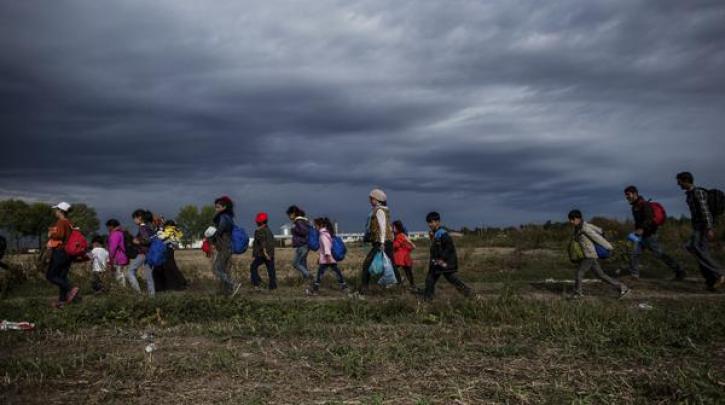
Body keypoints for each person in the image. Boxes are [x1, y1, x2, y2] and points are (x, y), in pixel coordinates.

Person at [623, 186, 685, 280]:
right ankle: (634, 275)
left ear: (635, 194)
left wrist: (642, 229)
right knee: (634, 253)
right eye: (626, 195)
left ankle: (679, 270)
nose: (627, 197)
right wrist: (636, 231)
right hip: (639, 236)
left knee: (660, 254)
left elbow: (649, 219)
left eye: (628, 194)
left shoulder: (645, 205)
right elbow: (638, 222)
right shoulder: (635, 207)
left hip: (650, 235)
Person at [676, 172, 725, 290]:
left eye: (679, 181)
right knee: (692, 248)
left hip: (703, 227)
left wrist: (709, 228)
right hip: (697, 227)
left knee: (698, 248)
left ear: (686, 181)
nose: (678, 184)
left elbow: (705, 211)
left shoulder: (698, 192)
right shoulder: (689, 195)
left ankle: (720, 273)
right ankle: (711, 281)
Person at [568, 209, 630, 298]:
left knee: (579, 273)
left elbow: (598, 238)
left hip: (589, 255)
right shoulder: (580, 227)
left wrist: (609, 247)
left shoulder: (584, 228)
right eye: (570, 219)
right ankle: (623, 288)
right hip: (589, 255)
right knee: (601, 275)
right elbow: (599, 230)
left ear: (578, 219)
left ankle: (578, 293)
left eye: (572, 219)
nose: (571, 221)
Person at [421, 211, 472, 301]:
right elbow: (435, 249)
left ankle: (469, 293)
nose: (429, 224)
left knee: (452, 279)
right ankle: (428, 299)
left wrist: (441, 259)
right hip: (437, 263)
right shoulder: (435, 234)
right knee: (429, 280)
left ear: (438, 222)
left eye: (431, 222)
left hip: (444, 263)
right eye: (428, 222)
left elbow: (449, 248)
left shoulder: (443, 234)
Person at [360, 188, 399, 294]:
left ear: (376, 199)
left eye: (371, 198)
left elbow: (382, 227)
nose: (370, 200)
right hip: (386, 241)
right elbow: (388, 227)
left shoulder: (379, 210)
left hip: (382, 242)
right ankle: (399, 286)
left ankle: (364, 288)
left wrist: (382, 243)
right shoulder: (384, 209)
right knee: (391, 263)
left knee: (367, 264)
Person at [46, 202, 80, 308]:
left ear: (61, 211)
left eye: (56, 210)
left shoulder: (61, 222)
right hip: (68, 253)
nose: (55, 212)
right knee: (62, 277)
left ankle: (71, 289)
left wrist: (51, 233)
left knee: (51, 276)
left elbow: (60, 235)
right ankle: (62, 301)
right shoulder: (69, 222)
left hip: (60, 252)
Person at [207, 196, 240, 295]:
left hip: (225, 247)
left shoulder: (223, 218)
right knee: (224, 269)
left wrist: (211, 235)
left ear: (224, 207)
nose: (215, 209)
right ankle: (227, 291)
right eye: (215, 207)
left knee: (216, 269)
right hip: (227, 246)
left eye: (218, 207)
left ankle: (232, 284)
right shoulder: (229, 217)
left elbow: (219, 230)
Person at [306, 217, 348, 295]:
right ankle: (344, 286)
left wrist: (327, 256)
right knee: (336, 272)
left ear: (320, 225)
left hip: (327, 259)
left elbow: (326, 246)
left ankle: (314, 290)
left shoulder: (323, 235)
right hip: (328, 258)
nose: (315, 227)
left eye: (316, 225)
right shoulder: (326, 233)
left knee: (320, 275)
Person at [126, 209, 156, 296]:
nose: (134, 220)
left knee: (130, 271)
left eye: (134, 218)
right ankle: (152, 297)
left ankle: (137, 293)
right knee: (149, 277)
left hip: (143, 253)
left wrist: (138, 242)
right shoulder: (149, 226)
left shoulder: (142, 227)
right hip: (150, 254)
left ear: (139, 218)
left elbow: (147, 240)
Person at [153, 219, 188, 291]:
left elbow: (161, 237)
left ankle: (179, 283)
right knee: (171, 267)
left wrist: (158, 230)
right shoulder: (175, 230)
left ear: (168, 225)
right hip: (171, 250)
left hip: (167, 250)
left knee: (169, 267)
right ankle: (177, 284)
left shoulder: (169, 230)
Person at [250, 212, 277, 290]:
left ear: (259, 222)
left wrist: (265, 254)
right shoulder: (268, 230)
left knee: (253, 267)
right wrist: (269, 254)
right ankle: (273, 286)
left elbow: (263, 243)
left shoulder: (259, 231)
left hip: (262, 254)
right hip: (271, 253)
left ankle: (257, 283)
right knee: (271, 269)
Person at [286, 205, 311, 280]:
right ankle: (307, 280)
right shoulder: (302, 221)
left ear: (293, 213)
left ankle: (308, 276)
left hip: (302, 245)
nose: (289, 217)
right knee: (303, 264)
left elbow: (304, 231)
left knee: (295, 263)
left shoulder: (299, 221)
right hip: (304, 245)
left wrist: (294, 229)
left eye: (289, 214)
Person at [393, 220, 417, 291]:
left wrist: (391, 244)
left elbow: (396, 245)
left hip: (400, 258)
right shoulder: (403, 235)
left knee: (393, 269)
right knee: (408, 272)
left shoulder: (399, 236)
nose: (392, 229)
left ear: (397, 228)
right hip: (406, 257)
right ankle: (412, 285)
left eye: (393, 227)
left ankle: (399, 281)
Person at [106, 219, 129, 287]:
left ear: (111, 226)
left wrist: (110, 258)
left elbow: (112, 248)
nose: (107, 228)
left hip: (118, 258)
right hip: (123, 256)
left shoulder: (115, 234)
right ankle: (122, 291)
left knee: (118, 275)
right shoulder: (120, 233)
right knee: (120, 274)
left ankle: (121, 291)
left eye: (108, 226)